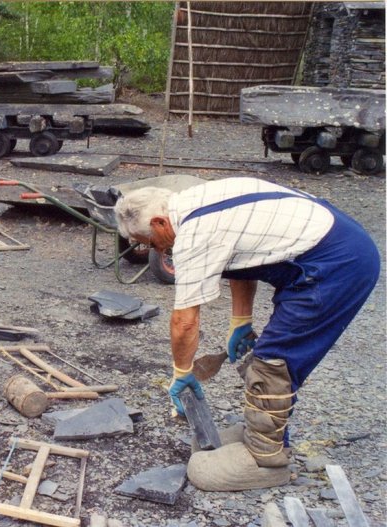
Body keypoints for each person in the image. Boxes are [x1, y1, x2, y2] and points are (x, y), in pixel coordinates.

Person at [113, 176, 380, 492]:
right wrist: (240, 320)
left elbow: (184, 321)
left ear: (159, 221)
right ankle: (264, 432)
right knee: (270, 354)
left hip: (335, 267)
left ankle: (266, 458)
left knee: (273, 361)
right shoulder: (193, 202)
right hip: (335, 248)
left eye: (151, 241)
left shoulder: (192, 234)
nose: (156, 249)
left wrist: (181, 373)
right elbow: (242, 260)